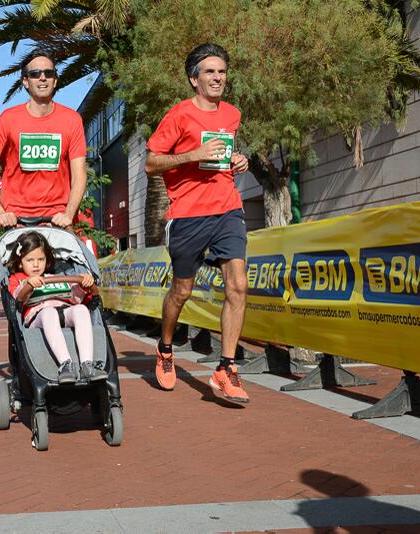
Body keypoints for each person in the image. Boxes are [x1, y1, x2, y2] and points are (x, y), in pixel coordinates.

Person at [145, 43, 251, 403]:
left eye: (221, 71)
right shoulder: (178, 115)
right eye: (210, 72)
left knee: (237, 284)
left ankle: (226, 367)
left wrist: (238, 161)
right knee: (182, 292)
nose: (217, 77)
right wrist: (193, 155)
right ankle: (165, 347)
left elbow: (222, 157)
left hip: (227, 208)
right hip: (188, 214)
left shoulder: (232, 115)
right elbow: (151, 163)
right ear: (194, 79)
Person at [0, 49, 88, 228]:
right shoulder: (8, 119)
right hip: (18, 222)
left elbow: (79, 175)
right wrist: (1, 213)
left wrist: (68, 214)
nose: (42, 78)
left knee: (83, 256)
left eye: (48, 73)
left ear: (55, 80)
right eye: (35, 74)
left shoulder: (72, 120)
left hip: (57, 223)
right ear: (25, 82)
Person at [7, 231, 107, 382]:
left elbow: (75, 298)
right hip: (38, 316)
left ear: (46, 260)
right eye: (30, 260)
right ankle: (65, 364)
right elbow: (17, 296)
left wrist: (84, 285)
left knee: (81, 310)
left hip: (64, 310)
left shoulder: (56, 277)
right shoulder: (17, 279)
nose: (36, 264)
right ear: (20, 262)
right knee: (49, 313)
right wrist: (28, 285)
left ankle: (87, 363)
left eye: (40, 259)